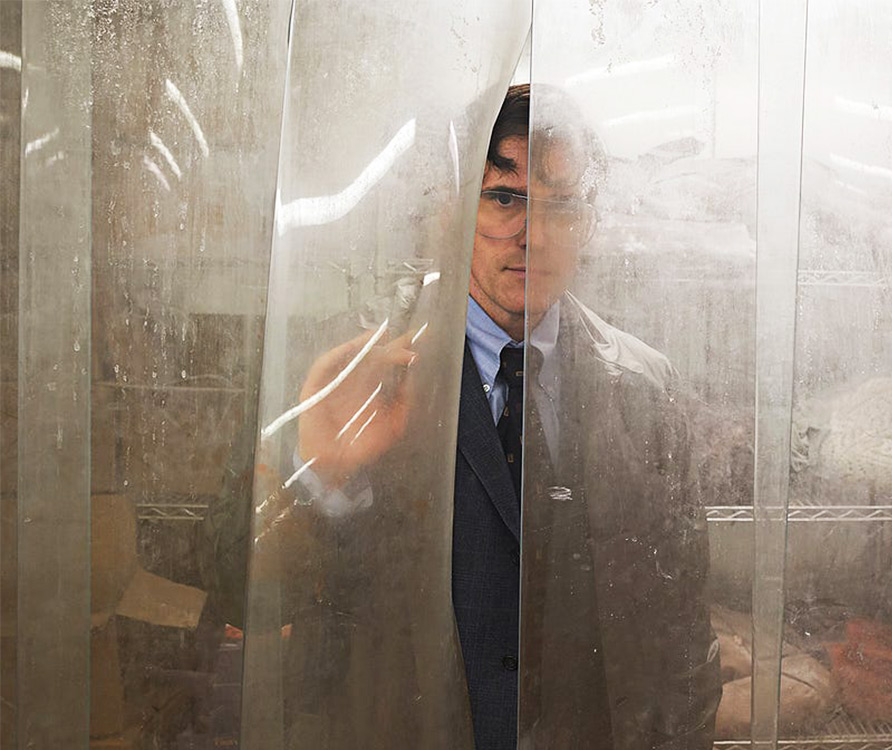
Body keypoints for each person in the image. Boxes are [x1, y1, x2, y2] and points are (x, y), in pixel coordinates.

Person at [203, 84, 720, 750]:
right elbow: (231, 586)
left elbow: (683, 638)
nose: (533, 234)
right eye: (504, 198)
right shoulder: (349, 372)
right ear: (450, 209)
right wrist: (317, 477)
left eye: (562, 206)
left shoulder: (644, 387)